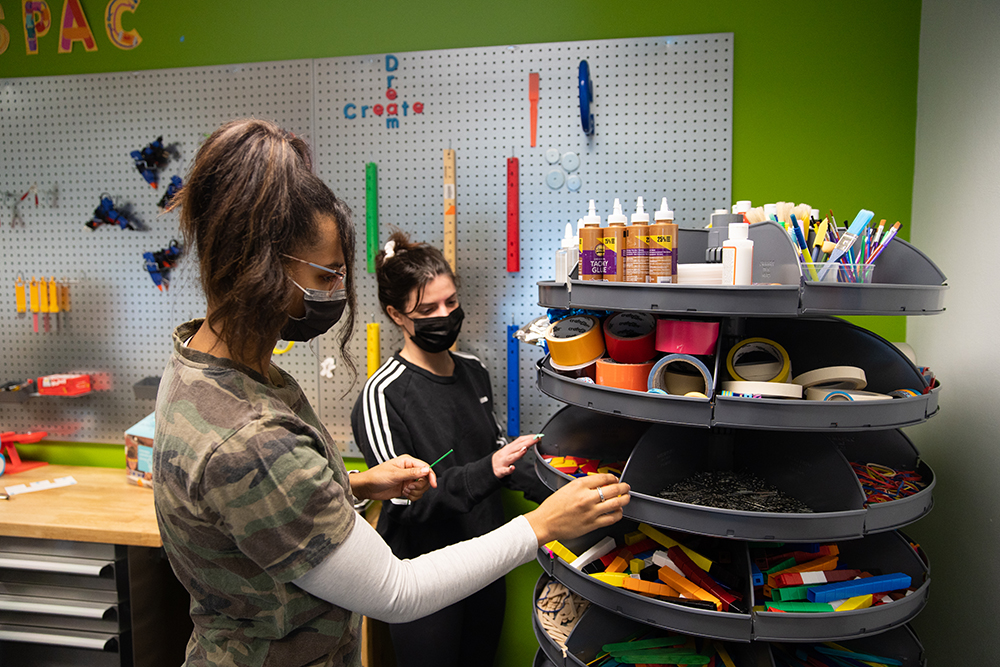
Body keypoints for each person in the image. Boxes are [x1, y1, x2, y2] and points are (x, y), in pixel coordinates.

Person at [152, 118, 631, 667]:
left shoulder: (199, 362)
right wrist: (544, 525)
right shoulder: (251, 437)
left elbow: (263, 503)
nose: (338, 291)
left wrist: (354, 483)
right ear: (265, 268)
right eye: (328, 275)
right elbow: (397, 591)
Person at [352, 231, 551, 667]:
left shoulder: (474, 371)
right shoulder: (381, 394)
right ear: (396, 315)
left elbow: (502, 460)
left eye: (451, 302)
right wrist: (489, 468)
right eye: (427, 309)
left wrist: (560, 481)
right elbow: (409, 501)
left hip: (485, 561)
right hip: (424, 577)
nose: (444, 315)